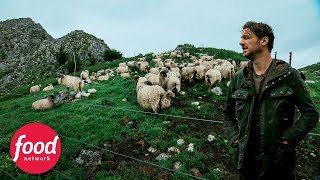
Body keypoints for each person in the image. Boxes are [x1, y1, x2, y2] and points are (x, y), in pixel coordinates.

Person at [223, 21, 319, 179]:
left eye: (246, 37)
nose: (241, 42)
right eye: (241, 38)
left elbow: (311, 113)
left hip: (279, 164)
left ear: (264, 41)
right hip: (246, 164)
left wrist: (289, 137)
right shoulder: (239, 78)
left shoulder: (289, 76)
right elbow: (227, 113)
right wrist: (234, 138)